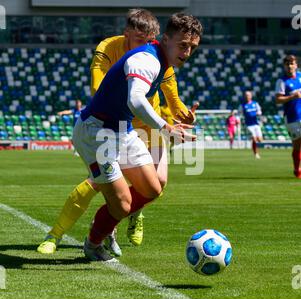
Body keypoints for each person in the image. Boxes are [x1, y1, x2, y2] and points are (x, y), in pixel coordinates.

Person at [37, 9, 198, 256]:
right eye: (183, 45)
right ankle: (92, 244)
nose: (187, 53)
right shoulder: (147, 60)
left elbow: (161, 98)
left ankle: (106, 218)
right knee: (123, 205)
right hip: (96, 132)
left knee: (153, 189)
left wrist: (180, 114)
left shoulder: (162, 62)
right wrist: (166, 127)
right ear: (166, 39)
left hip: (122, 129)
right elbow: (135, 100)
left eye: (192, 48)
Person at [275, 54, 301, 178]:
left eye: (292, 63)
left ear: (296, 65)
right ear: (284, 66)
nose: (290, 66)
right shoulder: (281, 81)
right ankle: (297, 170)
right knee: (297, 145)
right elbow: (278, 100)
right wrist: (292, 96)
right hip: (292, 118)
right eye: (287, 64)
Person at [240, 91, 263, 159]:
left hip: (256, 124)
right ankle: (256, 153)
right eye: (246, 95)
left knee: (260, 140)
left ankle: (257, 150)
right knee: (254, 138)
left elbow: (259, 111)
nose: (247, 96)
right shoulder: (242, 105)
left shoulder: (255, 103)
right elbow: (239, 113)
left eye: (248, 95)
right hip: (249, 125)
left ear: (251, 96)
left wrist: (258, 113)